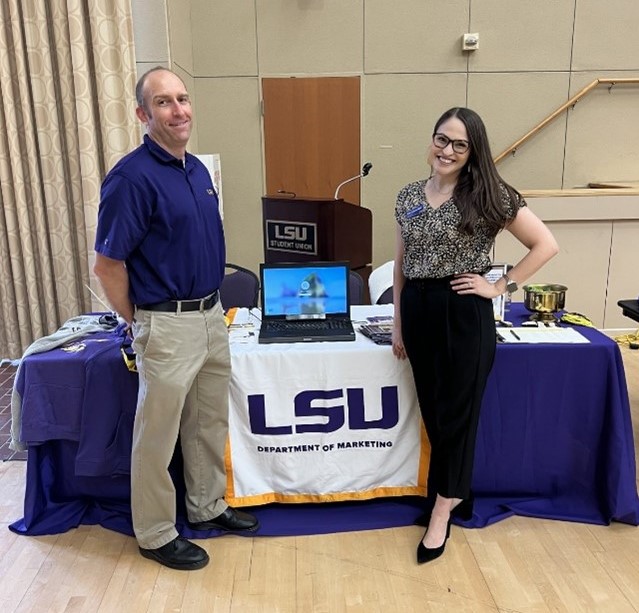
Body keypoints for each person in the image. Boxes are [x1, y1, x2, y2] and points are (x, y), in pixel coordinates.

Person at [94, 66, 258, 571]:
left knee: (207, 423)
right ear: (144, 115)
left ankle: (207, 507)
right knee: (157, 435)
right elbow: (107, 263)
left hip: (211, 316)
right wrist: (140, 320)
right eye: (163, 102)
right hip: (166, 322)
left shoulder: (196, 170)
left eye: (183, 99)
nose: (178, 110)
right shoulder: (130, 179)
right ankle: (155, 532)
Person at [391, 107, 559, 565]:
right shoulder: (408, 195)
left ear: (472, 152)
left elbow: (545, 244)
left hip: (464, 312)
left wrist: (499, 286)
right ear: (431, 140)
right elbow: (401, 264)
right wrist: (398, 322)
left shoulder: (488, 194)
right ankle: (452, 493)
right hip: (419, 311)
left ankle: (442, 510)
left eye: (459, 144)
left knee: (458, 418)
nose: (447, 150)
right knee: (435, 413)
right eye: (441, 139)